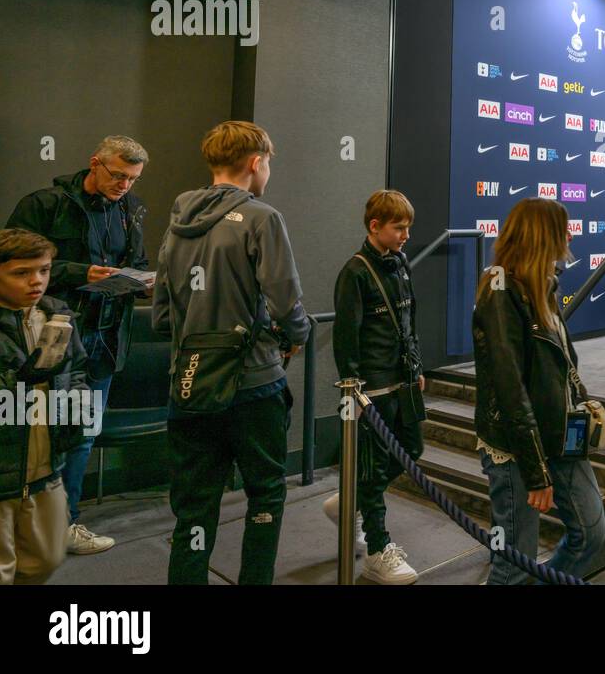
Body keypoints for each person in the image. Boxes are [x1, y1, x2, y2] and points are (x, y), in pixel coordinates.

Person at [152, 121, 311, 585]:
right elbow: (286, 302)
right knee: (264, 496)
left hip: (189, 381)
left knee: (194, 509)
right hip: (253, 382)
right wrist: (295, 334)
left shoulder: (178, 218)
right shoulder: (262, 217)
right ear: (256, 162)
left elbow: (162, 312)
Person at [6, 135, 151, 556]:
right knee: (32, 435)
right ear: (95, 163)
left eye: (133, 178)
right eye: (118, 175)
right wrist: (79, 273)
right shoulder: (45, 204)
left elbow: (136, 264)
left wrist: (138, 282)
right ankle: (26, 526)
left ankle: (63, 523)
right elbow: (13, 263)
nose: (125, 185)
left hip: (104, 338)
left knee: (82, 433)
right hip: (50, 338)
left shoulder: (128, 211)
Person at [472, 198, 605, 584]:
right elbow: (510, 388)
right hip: (516, 446)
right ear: (541, 234)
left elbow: (558, 366)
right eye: (562, 227)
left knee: (591, 532)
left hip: (561, 433)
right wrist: (535, 472)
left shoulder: (544, 285)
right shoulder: (500, 290)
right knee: (512, 565)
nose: (569, 234)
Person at [326, 190, 424, 584]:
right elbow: (345, 336)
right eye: (399, 228)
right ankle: (378, 549)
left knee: (412, 450)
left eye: (407, 228)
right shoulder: (355, 272)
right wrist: (354, 392)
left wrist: (416, 366)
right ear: (375, 227)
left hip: (404, 381)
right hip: (373, 390)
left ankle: (348, 504)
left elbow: (409, 321)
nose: (405, 235)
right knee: (373, 469)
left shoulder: (400, 263)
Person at [0, 229, 91, 584]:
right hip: (4, 471)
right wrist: (21, 379)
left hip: (45, 468)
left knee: (46, 559)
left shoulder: (56, 314)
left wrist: (77, 409)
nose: (36, 281)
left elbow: (79, 368)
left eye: (44, 270)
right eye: (21, 272)